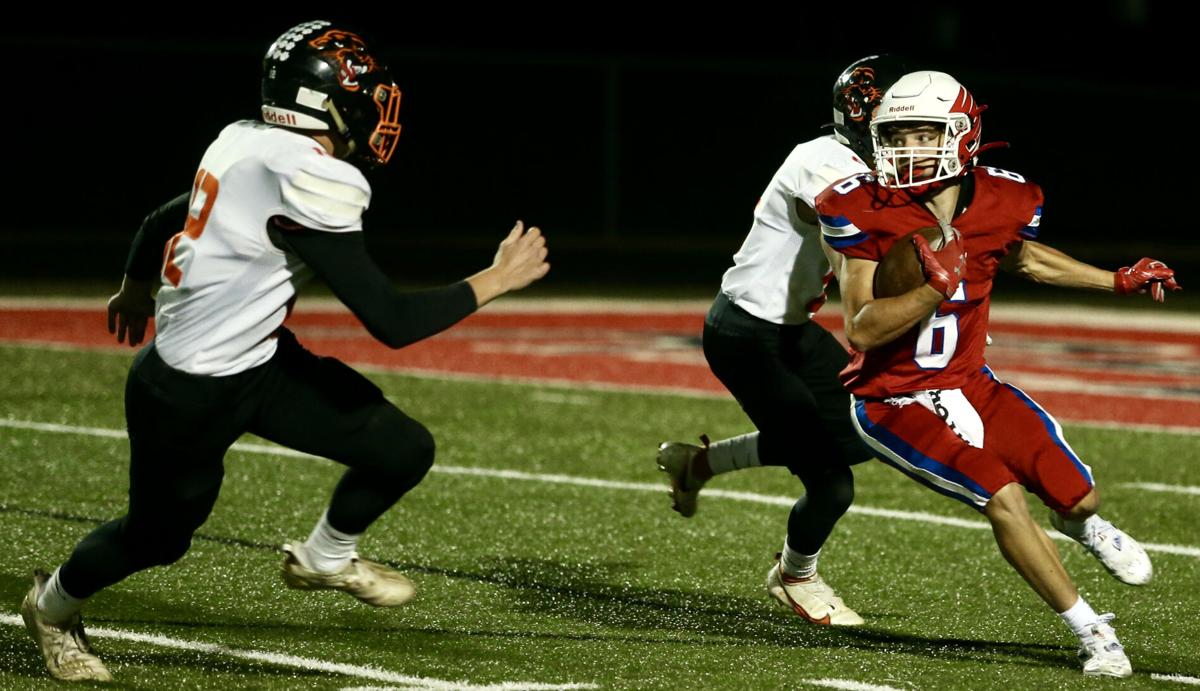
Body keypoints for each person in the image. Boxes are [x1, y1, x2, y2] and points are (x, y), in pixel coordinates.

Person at [20, 20, 550, 682]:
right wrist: (497, 278)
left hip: (261, 363)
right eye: (362, 96)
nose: (372, 111)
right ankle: (51, 606)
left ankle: (326, 557)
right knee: (156, 539)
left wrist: (134, 285)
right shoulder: (306, 173)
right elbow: (389, 319)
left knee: (401, 447)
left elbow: (165, 217)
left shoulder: (246, 140)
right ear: (322, 100)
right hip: (189, 389)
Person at [817, 70, 1180, 677]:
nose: (907, 148)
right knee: (1002, 496)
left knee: (1080, 494)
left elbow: (1026, 257)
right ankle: (1092, 632)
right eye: (896, 134)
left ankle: (1083, 525)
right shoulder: (860, 207)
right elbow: (861, 329)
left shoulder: (1005, 198)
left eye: (923, 133)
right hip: (890, 399)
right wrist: (933, 290)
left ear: (962, 135)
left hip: (971, 383)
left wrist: (1116, 279)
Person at [655, 56, 908, 627]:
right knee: (832, 484)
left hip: (789, 331)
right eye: (900, 129)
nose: (912, 143)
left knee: (862, 432)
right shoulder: (823, 163)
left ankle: (699, 464)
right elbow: (855, 254)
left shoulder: (866, 170)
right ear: (863, 120)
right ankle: (795, 575)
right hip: (745, 333)